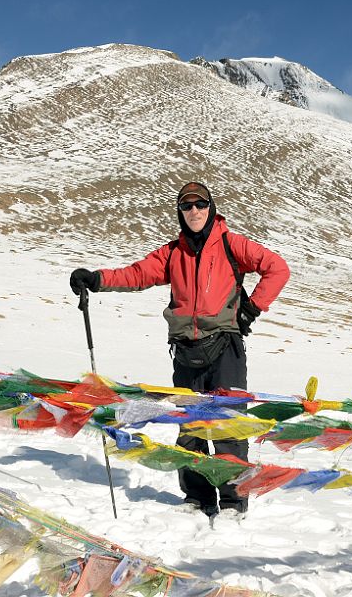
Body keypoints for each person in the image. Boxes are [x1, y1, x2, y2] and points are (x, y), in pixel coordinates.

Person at [70, 181, 290, 516]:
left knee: (227, 425)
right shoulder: (174, 252)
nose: (195, 212)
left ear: (211, 208)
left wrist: (251, 309)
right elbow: (137, 274)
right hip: (186, 350)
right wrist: (97, 279)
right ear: (180, 212)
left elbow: (277, 269)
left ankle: (233, 501)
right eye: (187, 207)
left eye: (200, 205)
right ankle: (197, 497)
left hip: (225, 347)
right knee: (189, 425)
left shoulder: (232, 245)